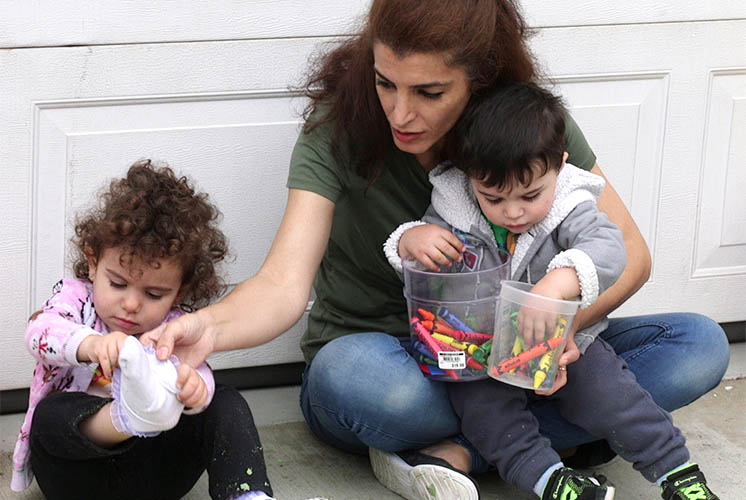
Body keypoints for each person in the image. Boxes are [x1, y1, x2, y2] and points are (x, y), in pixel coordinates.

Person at [140, 1, 730, 499]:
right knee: (359, 383)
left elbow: (629, 250)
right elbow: (283, 283)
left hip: (523, 354)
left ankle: (462, 452)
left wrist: (553, 332)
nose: (400, 112)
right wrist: (209, 327)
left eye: (429, 91)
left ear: (481, 78)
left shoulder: (527, 130)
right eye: (384, 82)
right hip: (396, 361)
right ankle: (560, 438)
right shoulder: (337, 128)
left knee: (698, 346)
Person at [385, 81, 720, 500]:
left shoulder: (569, 204)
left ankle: (676, 471)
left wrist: (560, 282)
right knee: (487, 413)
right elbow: (428, 277)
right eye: (493, 197)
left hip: (564, 343)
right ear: (469, 177)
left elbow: (609, 247)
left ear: (559, 167)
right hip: (481, 353)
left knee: (612, 396)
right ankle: (552, 480)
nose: (513, 212)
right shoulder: (454, 206)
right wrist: (410, 240)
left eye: (530, 195)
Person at [11, 160, 274, 500]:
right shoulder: (76, 300)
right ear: (93, 263)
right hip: (76, 476)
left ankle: (247, 495)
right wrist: (89, 344)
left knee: (224, 401)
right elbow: (39, 331)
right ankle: (128, 417)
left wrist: (196, 392)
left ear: (179, 291)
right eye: (117, 283)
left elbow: (198, 374)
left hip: (152, 476)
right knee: (50, 414)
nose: (132, 304)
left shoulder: (172, 328)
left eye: (154, 294)